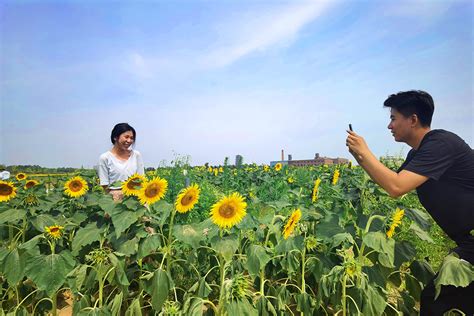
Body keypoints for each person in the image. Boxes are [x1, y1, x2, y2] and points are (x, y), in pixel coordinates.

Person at [345, 90, 473, 315]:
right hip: (468, 241)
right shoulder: (417, 155)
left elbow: (396, 186)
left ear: (413, 120)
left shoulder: (441, 144)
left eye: (393, 118)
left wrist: (365, 151)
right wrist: (360, 158)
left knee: (438, 301)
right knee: (446, 301)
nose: (389, 126)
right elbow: (392, 186)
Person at [98, 123, 145, 201]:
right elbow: (104, 185)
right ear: (115, 137)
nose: (129, 141)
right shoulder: (105, 158)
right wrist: (115, 198)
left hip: (135, 197)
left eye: (132, 138)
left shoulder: (136, 155)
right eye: (126, 137)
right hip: (115, 199)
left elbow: (141, 179)